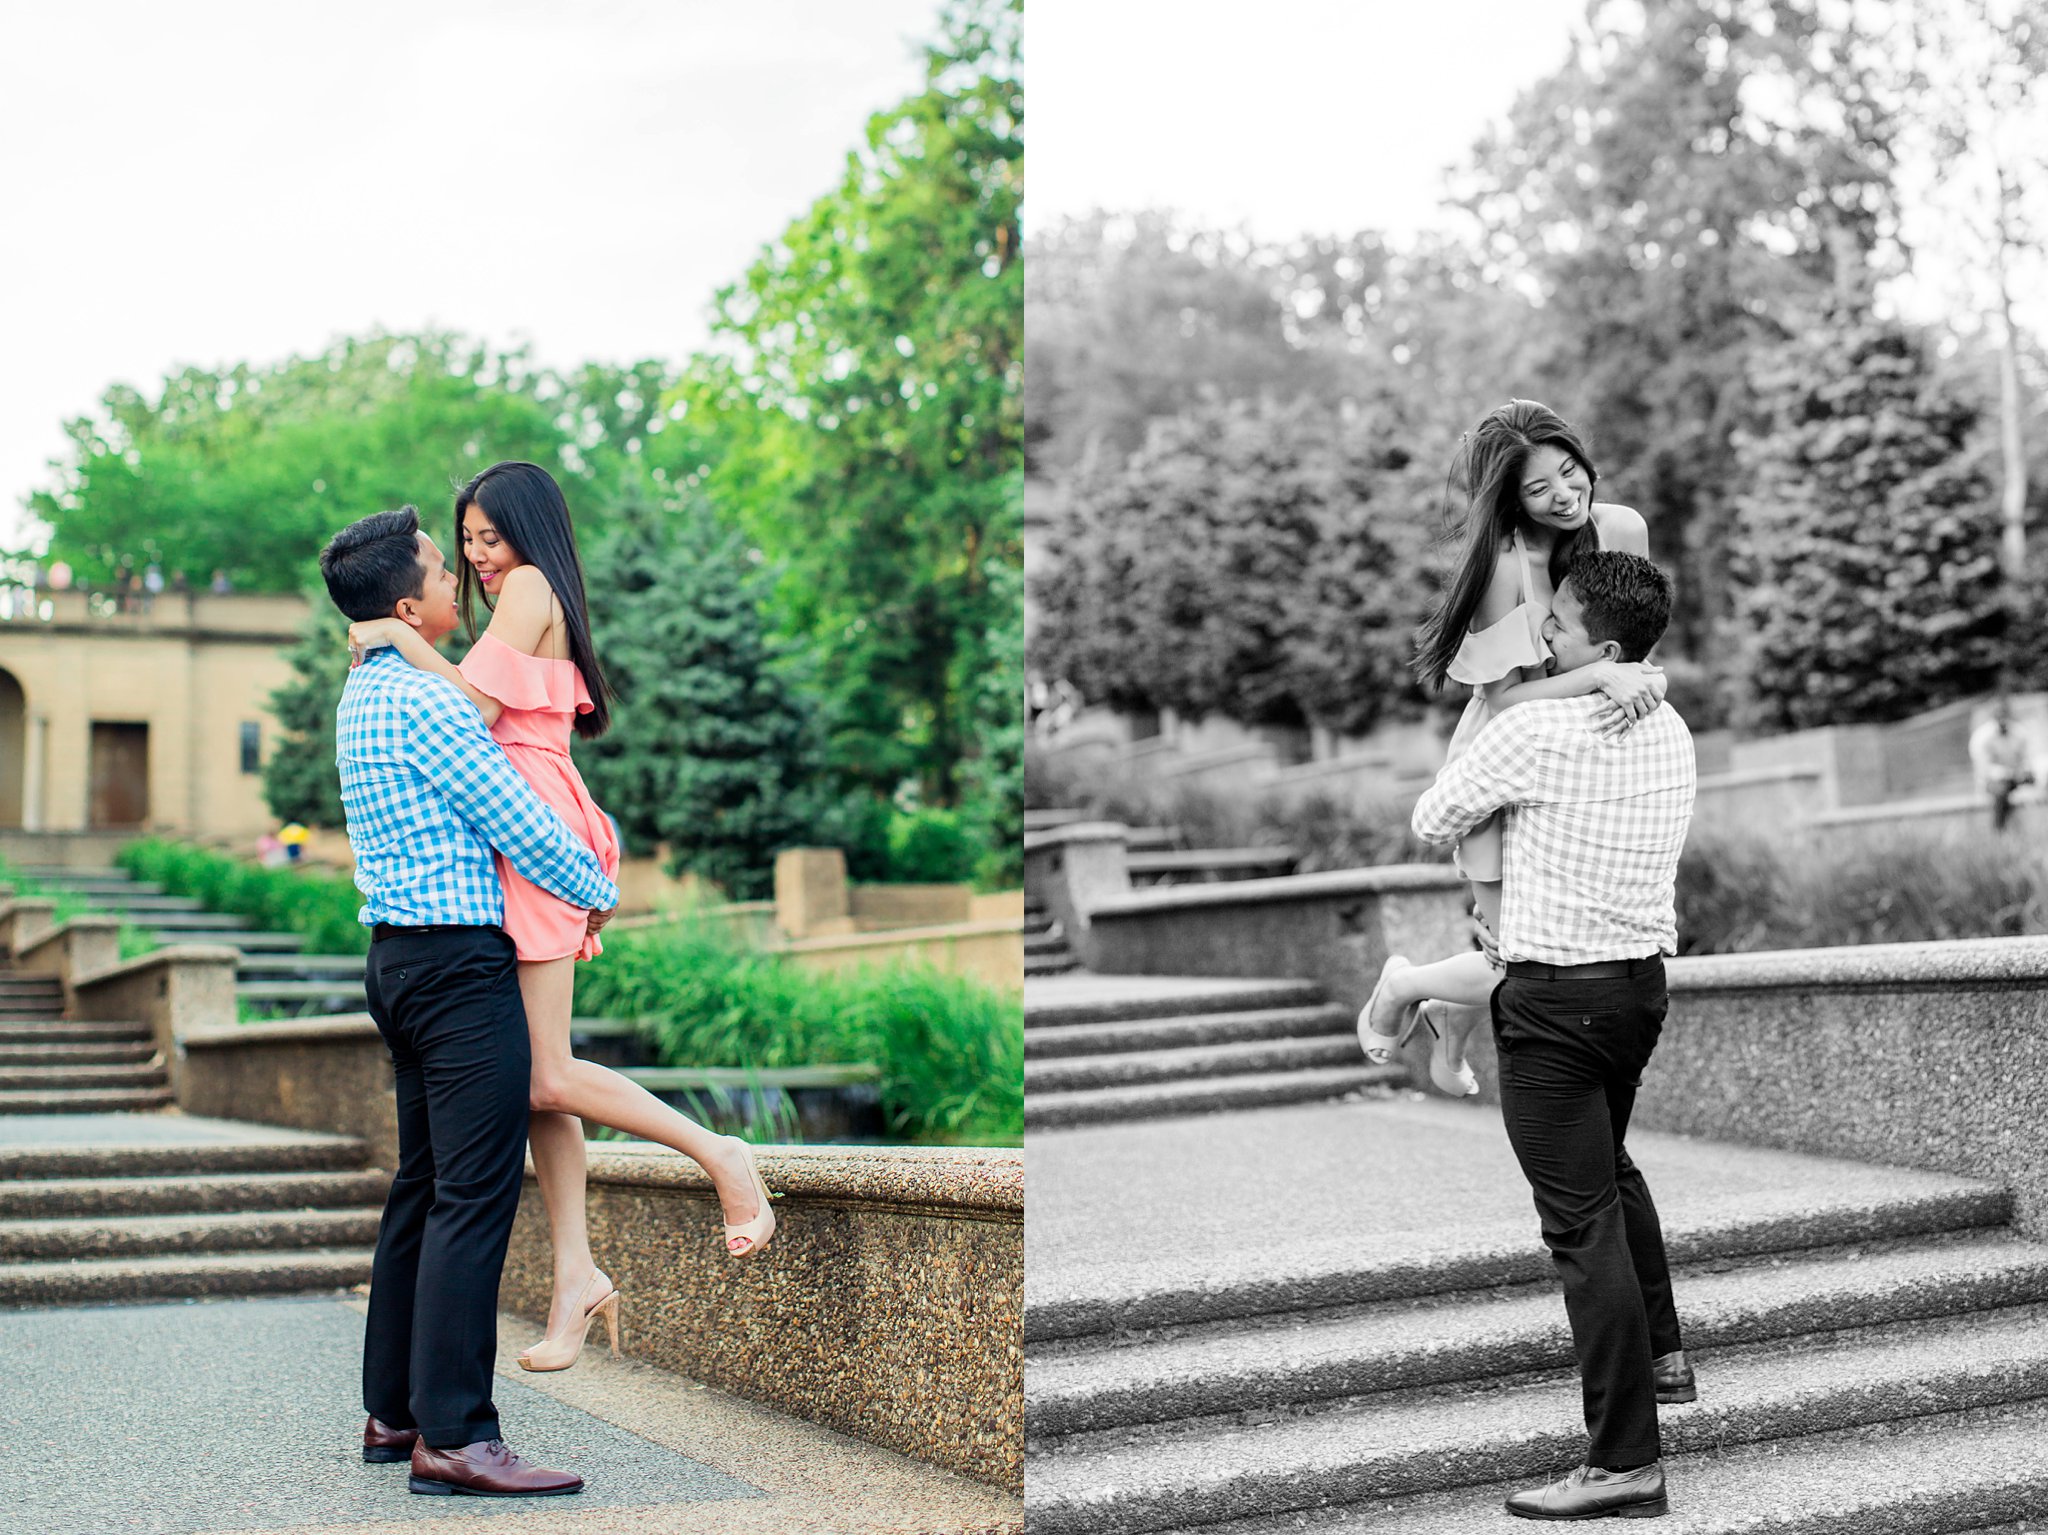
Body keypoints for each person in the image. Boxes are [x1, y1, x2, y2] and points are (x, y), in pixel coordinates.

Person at [346, 461, 776, 1378]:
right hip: (517, 824)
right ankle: (576, 1269)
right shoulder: (525, 594)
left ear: (528, 532)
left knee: (544, 1070)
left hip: (530, 823)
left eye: (489, 539)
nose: (477, 560)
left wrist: (392, 636)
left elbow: (472, 704)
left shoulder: (533, 587)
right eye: (465, 545)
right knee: (535, 1072)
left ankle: (720, 1152)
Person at [321, 505, 619, 1498]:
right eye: (444, 570)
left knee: (421, 1185)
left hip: (398, 963)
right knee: (471, 1196)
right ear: (408, 601)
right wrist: (599, 888)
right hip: (456, 971)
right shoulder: (427, 701)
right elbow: (517, 819)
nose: (461, 580)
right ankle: (457, 1432)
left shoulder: (364, 689)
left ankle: (392, 1411)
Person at [1411, 549, 1697, 1521]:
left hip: (1550, 1003)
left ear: (1603, 645)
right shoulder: (1674, 729)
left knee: (1579, 1225)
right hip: (1636, 993)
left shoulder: (1532, 728)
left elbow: (1430, 814)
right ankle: (1662, 1354)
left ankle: (1624, 1460)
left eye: (1560, 627)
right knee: (1607, 1170)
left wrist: (1515, 713)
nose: (1544, 638)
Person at [1359, 400, 1665, 1094]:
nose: (1565, 493)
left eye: (1568, 470)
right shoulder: (1505, 567)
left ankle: (1445, 1014)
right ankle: (1405, 985)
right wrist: (1605, 674)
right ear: (1511, 500)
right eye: (1539, 488)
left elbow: (1632, 642)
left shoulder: (1621, 528)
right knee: (1515, 959)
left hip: (1586, 757)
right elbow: (1506, 703)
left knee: (1543, 955)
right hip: (1504, 754)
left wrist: (1636, 677)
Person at [1968, 696, 2034, 832]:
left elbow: (2027, 758)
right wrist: (2010, 773)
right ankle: (1998, 830)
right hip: (1993, 781)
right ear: (1993, 715)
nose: (2002, 716)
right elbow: (1984, 769)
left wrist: (2025, 770)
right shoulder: (1981, 737)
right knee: (2000, 791)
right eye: (1999, 713)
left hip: (2017, 776)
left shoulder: (2019, 732)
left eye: (2004, 712)